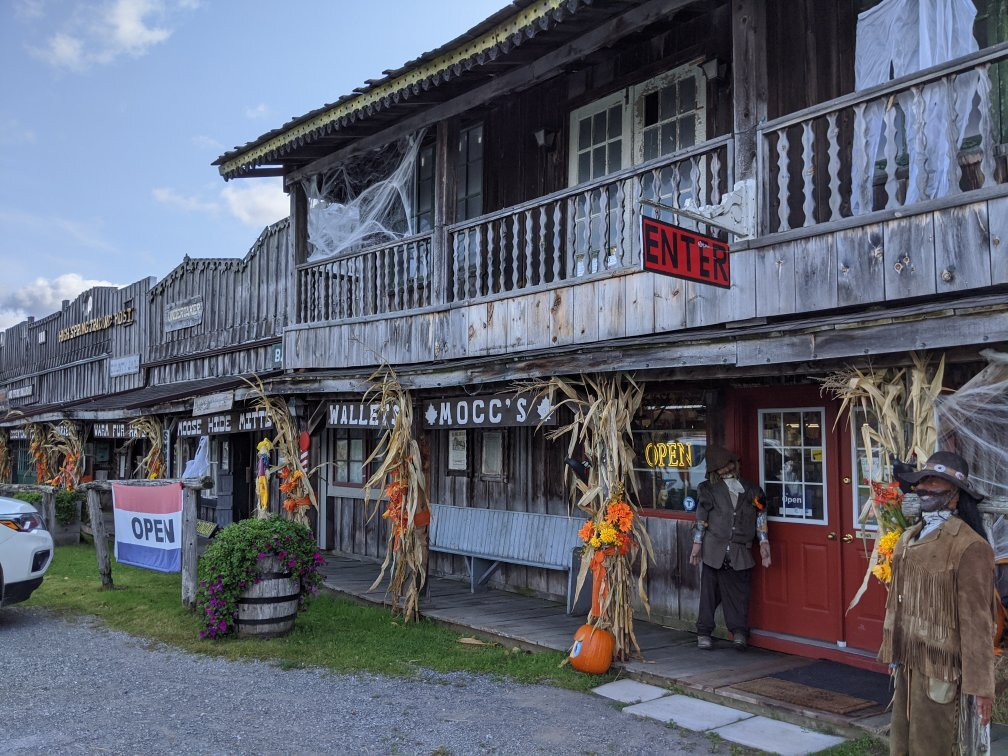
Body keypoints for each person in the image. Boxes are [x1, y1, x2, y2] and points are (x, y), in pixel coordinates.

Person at [881, 451, 995, 755]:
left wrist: (982, 688)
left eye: (937, 483)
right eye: (923, 481)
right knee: (902, 743)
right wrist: (894, 649)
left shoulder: (969, 546)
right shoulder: (908, 538)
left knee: (934, 746)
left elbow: (978, 623)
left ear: (955, 497)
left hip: (942, 671)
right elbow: (899, 601)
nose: (925, 488)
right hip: (908, 662)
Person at [689, 445, 771, 651]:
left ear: (734, 465)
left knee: (739, 593)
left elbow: (761, 516)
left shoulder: (753, 490)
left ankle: (740, 632)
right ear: (714, 472)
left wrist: (764, 542)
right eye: (721, 468)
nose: (726, 470)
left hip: (740, 551)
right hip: (713, 550)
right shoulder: (707, 490)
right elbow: (701, 519)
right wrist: (697, 544)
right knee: (709, 593)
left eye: (728, 466)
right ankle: (704, 632)